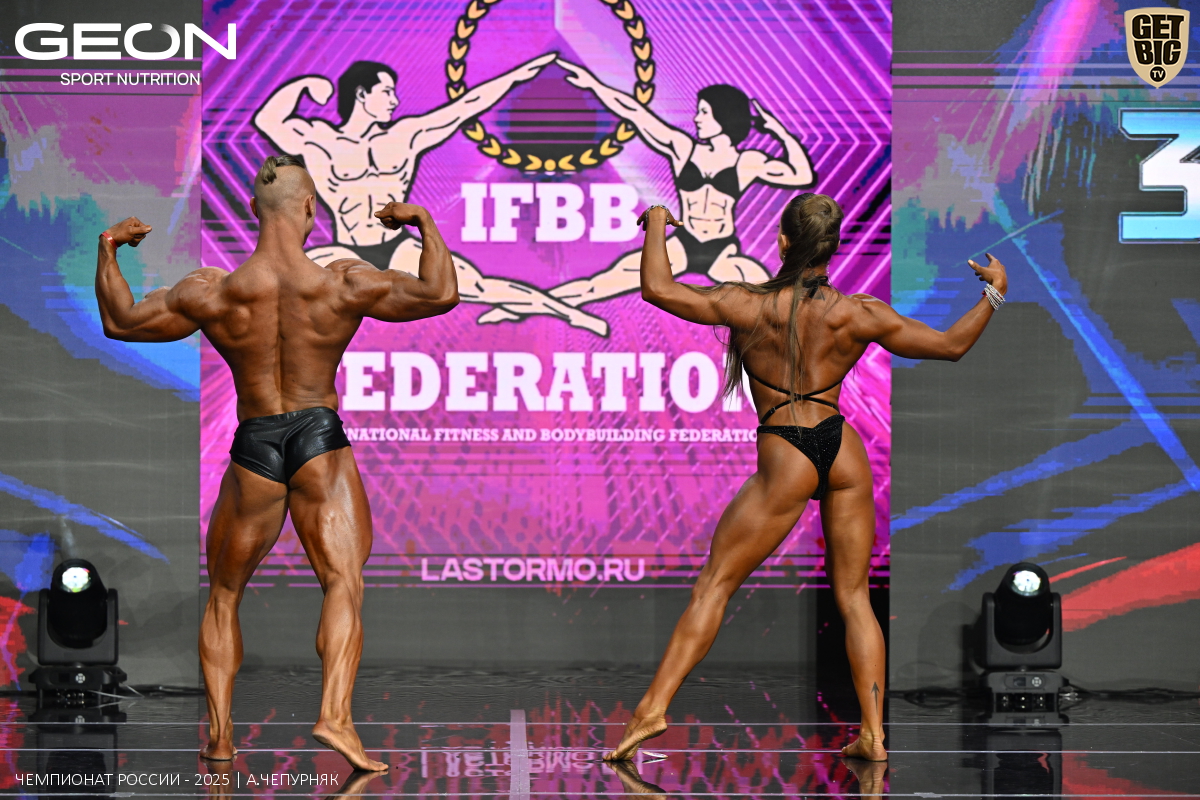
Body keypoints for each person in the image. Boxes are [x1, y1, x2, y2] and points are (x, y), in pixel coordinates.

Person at [605, 196, 1008, 762]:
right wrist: (994, 293)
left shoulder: (748, 304)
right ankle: (873, 734)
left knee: (714, 586)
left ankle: (652, 710)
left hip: (787, 450)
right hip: (842, 449)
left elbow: (658, 289)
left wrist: (654, 225)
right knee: (854, 597)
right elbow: (951, 346)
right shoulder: (859, 312)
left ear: (783, 242)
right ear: (832, 248)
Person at [94, 155, 460, 771]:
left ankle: (220, 738)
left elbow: (120, 321)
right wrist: (422, 221)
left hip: (254, 444)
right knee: (342, 582)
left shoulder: (212, 291)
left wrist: (109, 247)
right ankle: (334, 717)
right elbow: (440, 293)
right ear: (311, 208)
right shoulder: (342, 282)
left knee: (224, 594)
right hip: (319, 439)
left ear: (252, 210)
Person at [254, 57, 609, 335]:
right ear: (362, 94)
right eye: (386, 92)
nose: (395, 100)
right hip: (347, 248)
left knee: (477, 285)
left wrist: (517, 76)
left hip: (394, 245)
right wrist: (306, 84)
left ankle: (569, 314)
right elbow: (268, 121)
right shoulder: (320, 141)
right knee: (279, 284)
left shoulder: (404, 137)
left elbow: (467, 106)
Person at [479, 61, 813, 325]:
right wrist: (594, 85)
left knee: (772, 299)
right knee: (600, 284)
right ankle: (523, 307)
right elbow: (636, 114)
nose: (696, 118)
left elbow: (802, 173)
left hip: (722, 250)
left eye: (704, 112)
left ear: (724, 117)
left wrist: (777, 130)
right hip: (684, 244)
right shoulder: (683, 148)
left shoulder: (747, 161)